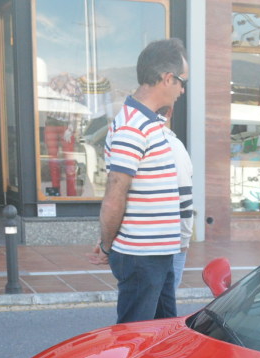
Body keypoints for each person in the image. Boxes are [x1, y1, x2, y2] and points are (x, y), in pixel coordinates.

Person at [89, 39, 187, 324]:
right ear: (167, 78)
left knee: (164, 336)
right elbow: (114, 196)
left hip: (157, 254)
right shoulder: (132, 127)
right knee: (135, 340)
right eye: (182, 82)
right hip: (142, 257)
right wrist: (108, 246)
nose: (182, 89)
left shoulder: (148, 122)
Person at [157, 102, 193, 320]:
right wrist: (184, 238)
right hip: (168, 239)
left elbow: (184, 196)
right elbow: (185, 196)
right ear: (169, 113)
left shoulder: (167, 144)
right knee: (162, 307)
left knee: (159, 309)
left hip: (161, 241)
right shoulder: (172, 145)